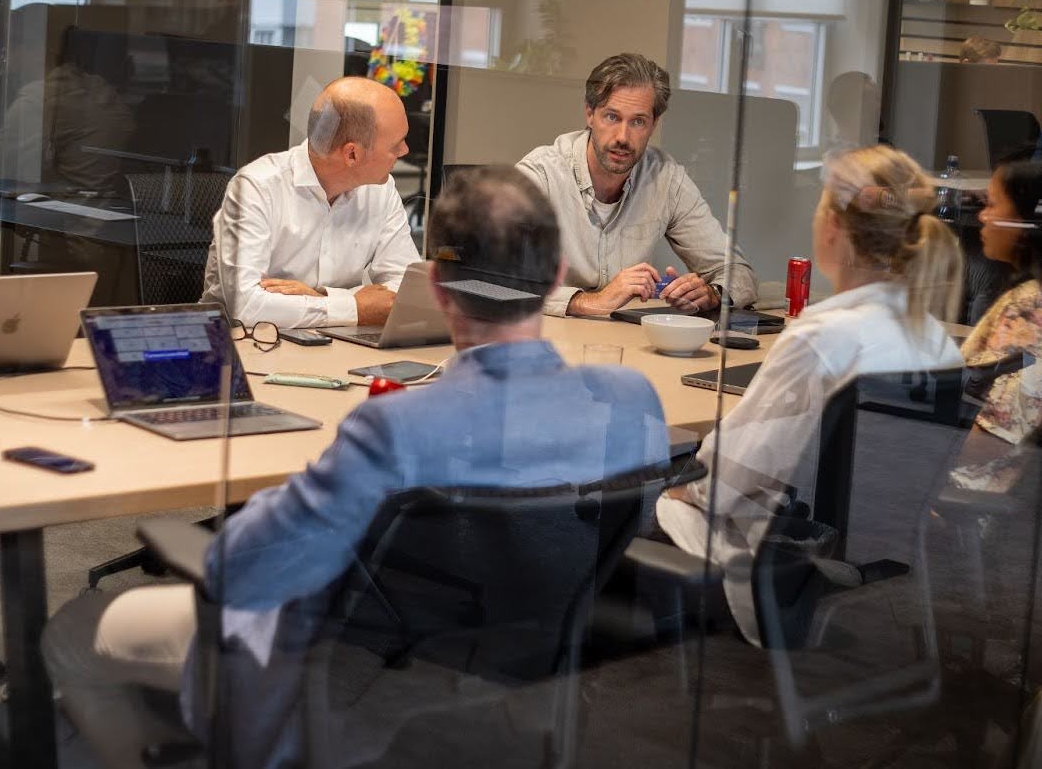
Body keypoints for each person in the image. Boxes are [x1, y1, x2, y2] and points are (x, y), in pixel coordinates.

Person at [43, 166, 670, 767]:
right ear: (558, 274)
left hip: (352, 686)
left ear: (439, 286)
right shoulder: (630, 399)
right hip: (518, 688)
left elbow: (246, 574)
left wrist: (273, 505)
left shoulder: (397, 428)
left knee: (76, 629)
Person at [655, 145, 964, 642]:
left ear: (834, 231)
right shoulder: (936, 339)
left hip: (782, 561)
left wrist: (670, 488)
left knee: (627, 498)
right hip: (876, 559)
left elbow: (729, 480)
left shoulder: (822, 337)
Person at [516, 53, 758, 318]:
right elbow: (493, 280)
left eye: (638, 122)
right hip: (547, 340)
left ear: (653, 124)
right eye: (611, 117)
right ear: (589, 114)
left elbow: (739, 272)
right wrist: (588, 301)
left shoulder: (666, 179)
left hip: (628, 346)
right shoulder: (541, 175)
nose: (623, 137)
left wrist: (712, 293)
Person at [203, 76, 419, 329]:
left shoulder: (380, 190)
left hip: (333, 343)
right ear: (352, 154)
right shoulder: (256, 188)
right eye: (396, 144)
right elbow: (246, 306)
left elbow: (407, 289)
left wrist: (323, 298)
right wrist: (355, 307)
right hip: (241, 346)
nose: (405, 151)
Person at [948, 152, 1042, 493]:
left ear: (1026, 223)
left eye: (992, 204)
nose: (982, 216)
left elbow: (993, 438)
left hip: (973, 499)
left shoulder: (1030, 315)